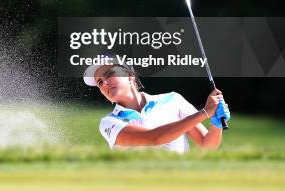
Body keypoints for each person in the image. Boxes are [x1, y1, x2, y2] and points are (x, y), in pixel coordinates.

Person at [84, 60, 230, 153]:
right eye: (99, 82)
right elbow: (154, 138)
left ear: (130, 75)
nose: (105, 84)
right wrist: (204, 112)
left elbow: (207, 145)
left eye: (109, 74)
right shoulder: (109, 122)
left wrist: (216, 124)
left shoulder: (173, 100)